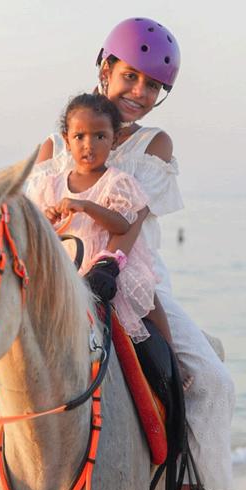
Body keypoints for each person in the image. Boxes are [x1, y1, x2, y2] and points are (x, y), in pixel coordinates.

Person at [0, 17, 233, 490]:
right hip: (57, 279)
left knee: (210, 380)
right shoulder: (56, 144)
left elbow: (131, 223)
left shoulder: (154, 145)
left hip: (127, 278)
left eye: (153, 86)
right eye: (131, 76)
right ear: (105, 69)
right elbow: (33, 222)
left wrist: (108, 265)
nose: (140, 92)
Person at [27, 92, 167, 344]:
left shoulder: (117, 182)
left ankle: (171, 359)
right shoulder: (52, 184)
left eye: (100, 136)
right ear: (67, 141)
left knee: (146, 299)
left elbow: (123, 224)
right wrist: (48, 218)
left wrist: (87, 206)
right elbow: (38, 233)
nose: (89, 145)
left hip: (106, 267)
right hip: (66, 267)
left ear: (114, 140)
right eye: (79, 137)